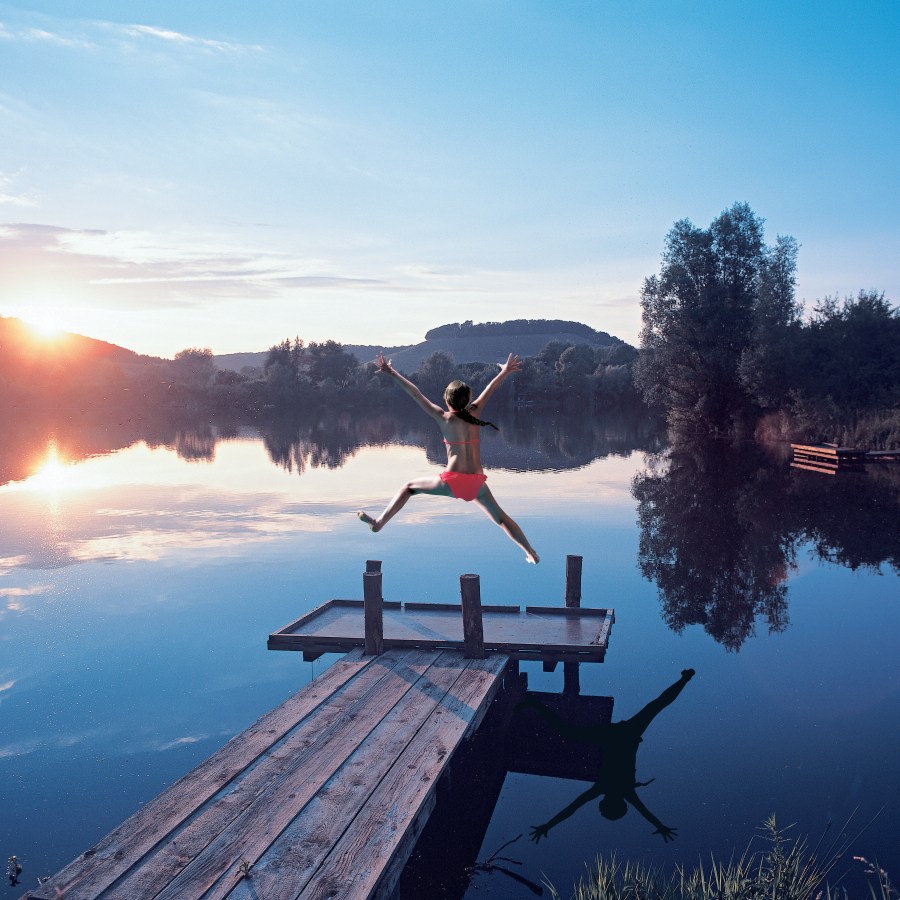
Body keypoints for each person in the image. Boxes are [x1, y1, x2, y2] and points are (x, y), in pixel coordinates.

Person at [357, 352, 539, 563]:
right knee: (501, 519)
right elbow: (491, 388)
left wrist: (392, 373)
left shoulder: (443, 418)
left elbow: (416, 394)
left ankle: (379, 523)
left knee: (408, 488)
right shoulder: (476, 412)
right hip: (477, 483)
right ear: (468, 399)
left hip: (452, 481)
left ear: (446, 399)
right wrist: (505, 371)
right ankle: (530, 552)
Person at [521, 668, 696, 843]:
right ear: (604, 803)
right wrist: (548, 825)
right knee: (656, 706)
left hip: (623, 734)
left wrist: (659, 826)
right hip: (619, 735)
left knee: (656, 706)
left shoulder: (624, 791)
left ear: (621, 804)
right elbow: (573, 807)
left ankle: (685, 678)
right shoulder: (605, 789)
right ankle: (535, 704)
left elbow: (573, 808)